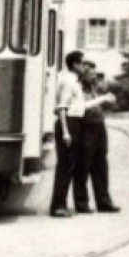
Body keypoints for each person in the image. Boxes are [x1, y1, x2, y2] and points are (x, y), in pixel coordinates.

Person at [48, 51, 88, 217]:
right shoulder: (68, 82)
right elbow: (62, 108)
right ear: (75, 65)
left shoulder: (73, 81)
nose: (84, 67)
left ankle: (60, 205)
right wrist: (65, 132)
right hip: (69, 124)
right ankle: (58, 207)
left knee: (69, 166)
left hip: (75, 123)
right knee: (65, 166)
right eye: (82, 63)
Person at [77, 62, 120, 213]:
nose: (94, 77)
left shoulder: (93, 89)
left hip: (99, 126)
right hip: (86, 127)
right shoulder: (77, 89)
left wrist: (107, 100)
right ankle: (82, 203)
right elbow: (83, 106)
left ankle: (104, 202)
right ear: (83, 75)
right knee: (83, 165)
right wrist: (103, 99)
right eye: (91, 74)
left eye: (94, 74)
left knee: (101, 165)